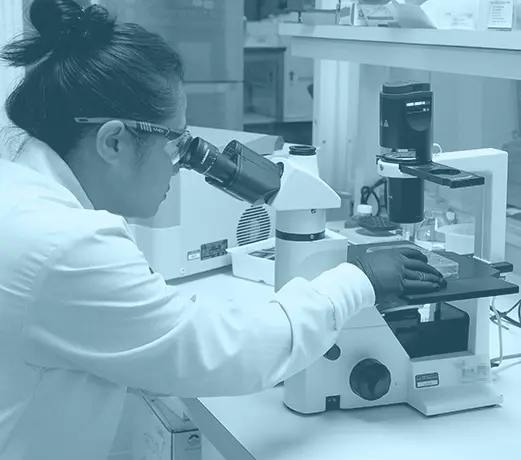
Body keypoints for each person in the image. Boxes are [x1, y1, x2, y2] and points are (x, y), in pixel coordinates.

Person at [0, 1, 445, 459]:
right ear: (113, 141)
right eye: (177, 143)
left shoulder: (21, 194)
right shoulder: (68, 246)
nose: (180, 167)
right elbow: (228, 355)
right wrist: (359, 280)